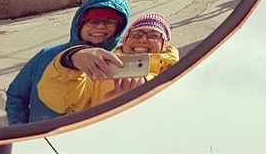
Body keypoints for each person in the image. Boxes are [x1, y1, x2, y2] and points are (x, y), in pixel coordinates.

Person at [5, 0, 130, 124]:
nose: (100, 26)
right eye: (93, 20)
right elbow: (17, 95)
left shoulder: (121, 64)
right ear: (79, 24)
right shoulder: (46, 56)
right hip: (42, 137)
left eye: (110, 21)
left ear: (119, 28)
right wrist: (21, 128)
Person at [36, 13, 179, 116]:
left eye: (153, 35)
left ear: (165, 44)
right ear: (125, 40)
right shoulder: (100, 66)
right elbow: (60, 103)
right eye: (136, 34)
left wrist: (148, 88)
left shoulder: (179, 72)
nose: (142, 39)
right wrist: (69, 60)